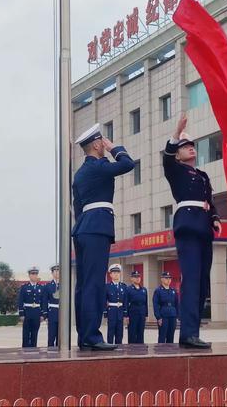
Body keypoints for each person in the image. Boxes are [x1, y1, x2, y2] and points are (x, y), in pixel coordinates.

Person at [72, 123, 135, 351]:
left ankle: (84, 335)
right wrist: (114, 148)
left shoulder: (80, 173)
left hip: (83, 228)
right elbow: (127, 164)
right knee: (95, 284)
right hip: (97, 226)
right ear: (97, 144)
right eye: (103, 142)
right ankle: (92, 336)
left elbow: (77, 207)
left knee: (84, 285)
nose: (104, 144)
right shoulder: (99, 166)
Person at [163, 114, 221, 348]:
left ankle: (193, 332)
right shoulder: (175, 170)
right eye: (185, 147)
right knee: (192, 280)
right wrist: (177, 133)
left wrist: (215, 217)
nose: (191, 149)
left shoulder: (203, 176)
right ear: (178, 153)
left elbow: (210, 199)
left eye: (192, 146)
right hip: (187, 226)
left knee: (202, 283)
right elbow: (166, 158)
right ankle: (187, 333)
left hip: (204, 228)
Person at [18, 266, 44, 348]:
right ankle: (25, 350)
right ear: (29, 275)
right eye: (32, 274)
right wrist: (21, 314)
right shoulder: (24, 287)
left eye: (36, 274)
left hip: (36, 313)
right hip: (27, 313)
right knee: (26, 334)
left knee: (34, 334)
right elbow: (20, 301)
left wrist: (42, 314)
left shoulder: (41, 288)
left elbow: (43, 302)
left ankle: (34, 350)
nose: (34, 276)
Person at [152, 272, 178, 344]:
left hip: (172, 315)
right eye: (166, 278)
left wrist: (177, 315)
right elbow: (155, 304)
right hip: (163, 316)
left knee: (171, 335)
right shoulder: (158, 291)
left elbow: (176, 303)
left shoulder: (173, 290)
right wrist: (158, 317)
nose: (168, 280)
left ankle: (170, 352)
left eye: (170, 278)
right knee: (162, 335)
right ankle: (161, 352)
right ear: (162, 279)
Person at [105, 264, 127, 345]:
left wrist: (125, 313)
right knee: (111, 330)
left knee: (120, 331)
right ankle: (110, 345)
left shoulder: (123, 286)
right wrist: (105, 312)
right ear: (110, 275)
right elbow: (104, 300)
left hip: (120, 311)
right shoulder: (107, 286)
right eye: (114, 273)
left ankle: (119, 346)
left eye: (118, 272)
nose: (116, 274)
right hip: (112, 311)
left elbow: (125, 300)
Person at [126, 270, 148, 344]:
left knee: (141, 332)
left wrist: (146, 314)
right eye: (135, 277)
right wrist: (126, 315)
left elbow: (145, 303)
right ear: (131, 278)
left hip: (142, 313)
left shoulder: (144, 290)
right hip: (133, 313)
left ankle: (141, 349)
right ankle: (131, 349)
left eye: (138, 277)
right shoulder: (128, 289)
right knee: (132, 332)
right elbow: (126, 303)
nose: (137, 278)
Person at [42, 263, 60, 347]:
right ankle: (51, 353)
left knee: (61, 337)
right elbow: (44, 301)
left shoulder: (66, 285)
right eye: (55, 271)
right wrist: (45, 315)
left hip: (62, 313)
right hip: (52, 313)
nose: (57, 272)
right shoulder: (48, 286)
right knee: (51, 335)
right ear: (52, 273)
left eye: (59, 270)